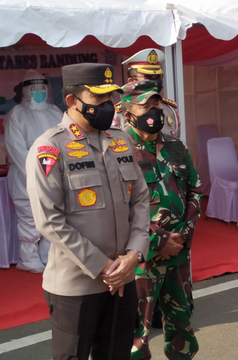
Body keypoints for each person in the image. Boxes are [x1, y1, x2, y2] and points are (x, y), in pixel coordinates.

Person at [26, 63, 150, 360]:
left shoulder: (121, 140)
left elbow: (141, 199)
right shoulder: (50, 148)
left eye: (111, 99)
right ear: (72, 101)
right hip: (77, 286)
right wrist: (104, 267)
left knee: (116, 354)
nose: (109, 106)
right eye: (99, 100)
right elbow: (50, 221)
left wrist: (134, 254)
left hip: (123, 280)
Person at [120, 81, 203, 359]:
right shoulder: (119, 150)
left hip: (178, 256)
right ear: (128, 113)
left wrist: (181, 237)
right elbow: (121, 209)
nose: (154, 111)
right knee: (135, 336)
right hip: (141, 259)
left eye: (156, 104)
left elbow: (196, 189)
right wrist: (160, 241)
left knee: (183, 330)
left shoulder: (175, 146)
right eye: (146, 106)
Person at [5, 70, 61, 273]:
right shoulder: (16, 115)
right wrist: (35, 176)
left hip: (54, 174)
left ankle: (48, 257)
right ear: (26, 90)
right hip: (24, 176)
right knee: (29, 217)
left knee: (52, 215)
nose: (39, 91)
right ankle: (27, 259)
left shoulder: (55, 112)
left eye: (42, 87)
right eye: (33, 87)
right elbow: (17, 150)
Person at [114, 49, 181, 137]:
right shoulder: (120, 113)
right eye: (148, 77)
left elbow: (176, 140)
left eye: (158, 77)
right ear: (132, 81)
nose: (155, 82)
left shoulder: (170, 109)